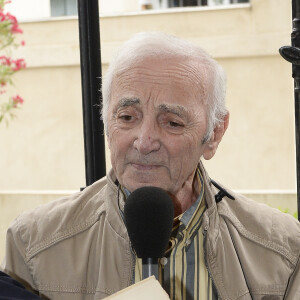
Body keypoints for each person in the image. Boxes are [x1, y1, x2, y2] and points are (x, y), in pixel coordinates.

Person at [1, 32, 300, 300]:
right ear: (106, 123)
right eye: (127, 117)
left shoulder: (284, 253)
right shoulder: (34, 246)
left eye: (172, 122)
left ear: (214, 133)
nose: (144, 142)